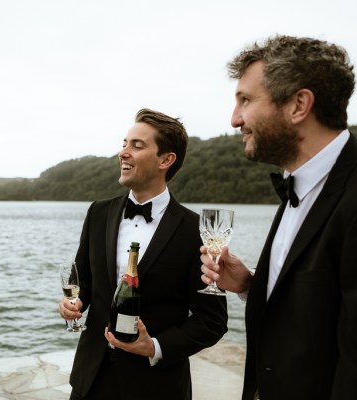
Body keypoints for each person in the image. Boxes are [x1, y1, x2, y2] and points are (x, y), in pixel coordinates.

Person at [200, 35, 357, 400]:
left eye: (245, 100)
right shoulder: (297, 186)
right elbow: (322, 312)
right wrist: (249, 286)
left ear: (299, 105)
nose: (235, 119)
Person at [59, 108, 228, 400]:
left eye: (137, 146)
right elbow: (83, 282)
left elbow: (212, 320)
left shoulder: (195, 229)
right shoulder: (98, 212)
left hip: (157, 386)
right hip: (90, 379)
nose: (123, 152)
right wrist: (72, 304)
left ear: (166, 159)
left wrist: (156, 347)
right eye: (124, 143)